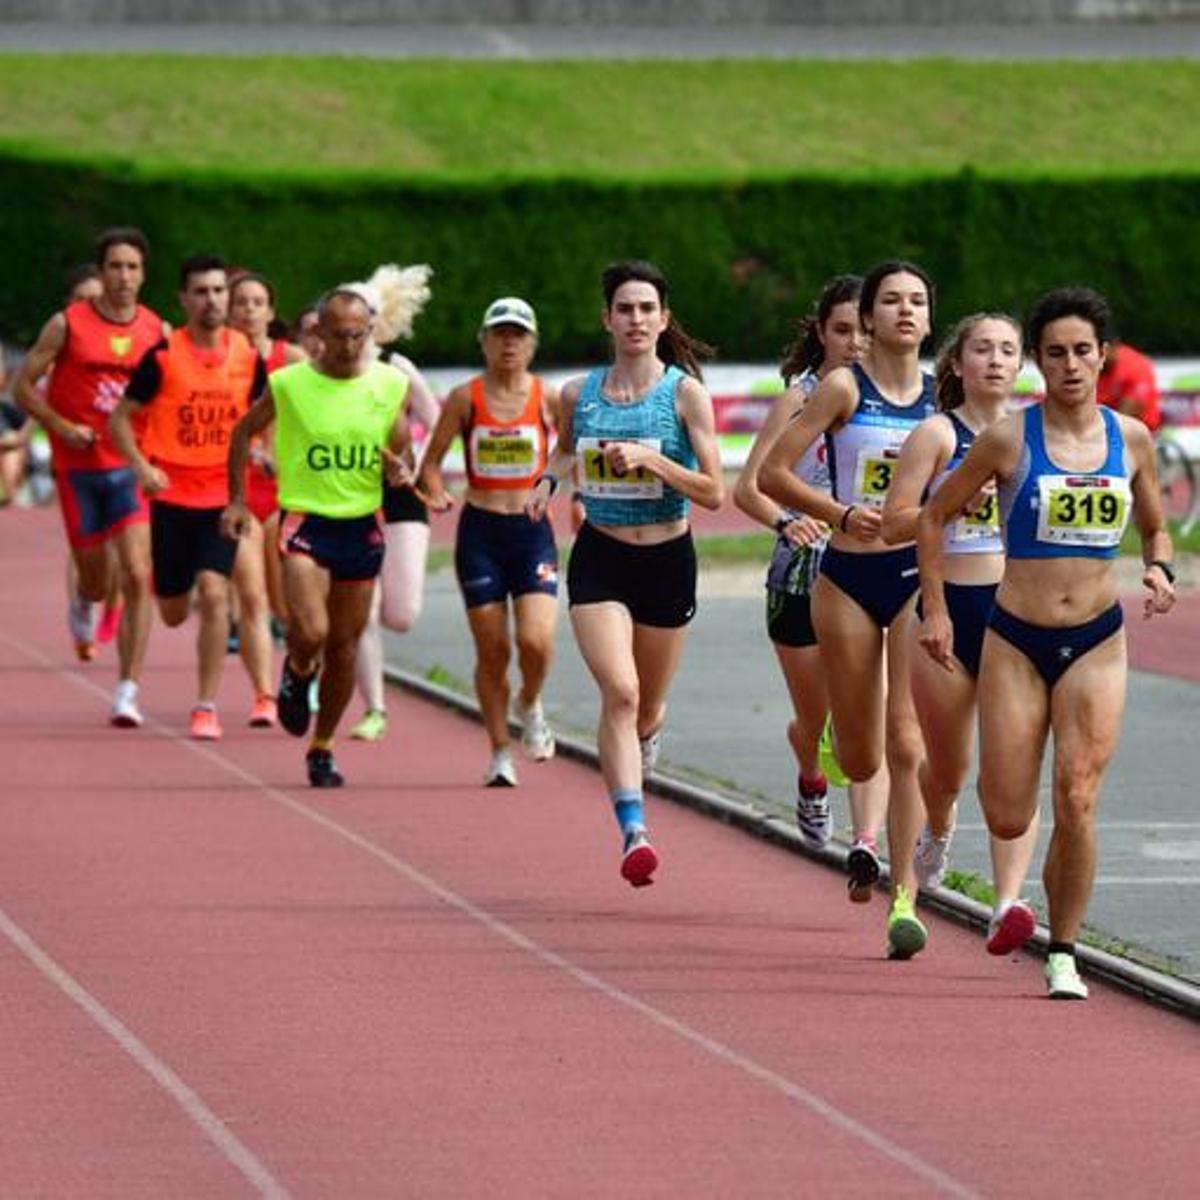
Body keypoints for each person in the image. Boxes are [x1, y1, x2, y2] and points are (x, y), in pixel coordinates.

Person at [916, 287, 1175, 999]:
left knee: (1080, 796)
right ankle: (969, 842)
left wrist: (1158, 565)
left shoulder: (1132, 439)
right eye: (1055, 353)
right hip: (1016, 639)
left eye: (1082, 352)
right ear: (1038, 361)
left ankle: (1064, 950)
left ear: (1102, 358)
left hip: (1097, 639)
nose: (1069, 365)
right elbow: (933, 517)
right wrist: (934, 611)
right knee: (1007, 809)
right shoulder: (1009, 439)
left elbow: (1154, 525)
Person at [759, 260, 936, 958]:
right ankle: (838, 753)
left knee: (908, 741)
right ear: (868, 319)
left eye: (917, 301)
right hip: (848, 577)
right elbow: (773, 472)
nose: (903, 311)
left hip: (917, 579)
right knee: (863, 752)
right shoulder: (841, 388)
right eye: (889, 300)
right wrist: (839, 512)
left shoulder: (943, 395)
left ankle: (906, 897)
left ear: (928, 316)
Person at [528, 261, 724, 885]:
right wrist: (548, 480)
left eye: (647, 309)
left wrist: (653, 460)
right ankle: (634, 829)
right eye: (625, 309)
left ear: (663, 320)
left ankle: (647, 738)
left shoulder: (684, 393)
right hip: (602, 556)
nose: (636, 320)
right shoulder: (576, 393)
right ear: (606, 319)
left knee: (648, 707)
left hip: (667, 559)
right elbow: (565, 446)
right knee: (622, 692)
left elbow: (715, 490)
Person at [883, 313, 1041, 956]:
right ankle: (937, 832)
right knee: (947, 769)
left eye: (1008, 350)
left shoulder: (1038, 437)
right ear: (956, 363)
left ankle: (1006, 903)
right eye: (983, 349)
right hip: (947, 606)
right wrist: (950, 502)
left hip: (1017, 612)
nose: (996, 361)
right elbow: (895, 523)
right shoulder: (936, 434)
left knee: (1015, 765)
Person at [221, 289, 413, 788]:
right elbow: (242, 434)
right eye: (338, 336)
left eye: (358, 335)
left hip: (361, 522)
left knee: (346, 645)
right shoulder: (289, 384)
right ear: (319, 336)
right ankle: (298, 667)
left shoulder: (390, 384)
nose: (349, 346)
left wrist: (401, 471)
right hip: (307, 518)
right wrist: (238, 500)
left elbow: (399, 446)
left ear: (368, 333)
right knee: (311, 630)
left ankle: (322, 747)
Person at [733, 274, 889, 851]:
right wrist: (786, 520)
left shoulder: (890, 405)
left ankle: (868, 842)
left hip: (869, 570)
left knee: (869, 714)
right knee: (815, 718)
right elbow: (748, 489)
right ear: (820, 333)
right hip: (801, 573)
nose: (854, 343)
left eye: (863, 332)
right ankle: (810, 776)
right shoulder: (799, 400)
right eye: (842, 331)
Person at [110, 254, 267, 738]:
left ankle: (206, 706)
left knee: (218, 594)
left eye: (220, 291)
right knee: (174, 610)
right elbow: (119, 418)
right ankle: (172, 593)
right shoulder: (161, 356)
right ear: (183, 299)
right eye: (201, 292)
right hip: (171, 495)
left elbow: (268, 412)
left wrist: (262, 450)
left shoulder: (247, 355)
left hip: (223, 494)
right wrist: (142, 467)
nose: (213, 300)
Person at [14, 227, 165, 724]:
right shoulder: (68, 324)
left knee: (139, 574)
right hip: (78, 467)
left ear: (144, 275)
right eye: (115, 266)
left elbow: (170, 396)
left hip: (129, 464)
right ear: (101, 273)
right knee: (99, 582)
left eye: (132, 267)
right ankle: (85, 597)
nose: (123, 276)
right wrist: (60, 426)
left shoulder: (157, 331)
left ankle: (128, 690)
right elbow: (23, 387)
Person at [419, 296, 561, 786]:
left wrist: (576, 494)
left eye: (518, 334)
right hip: (480, 532)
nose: (508, 342)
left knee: (536, 640)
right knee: (493, 648)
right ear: (483, 341)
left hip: (532, 531)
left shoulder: (548, 397)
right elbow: (431, 462)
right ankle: (500, 751)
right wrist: (435, 490)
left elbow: (572, 453)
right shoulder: (464, 398)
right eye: (499, 333)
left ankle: (530, 700)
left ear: (533, 344)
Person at [343, 264, 442, 744]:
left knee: (399, 614)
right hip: (347, 496)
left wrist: (417, 464)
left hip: (400, 496)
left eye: (366, 317)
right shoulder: (326, 376)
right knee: (363, 611)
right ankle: (375, 708)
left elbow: (437, 420)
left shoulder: (399, 370)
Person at [227, 271, 308, 724]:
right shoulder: (217, 359)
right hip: (240, 493)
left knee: (287, 605)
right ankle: (263, 696)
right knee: (252, 596)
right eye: (241, 302)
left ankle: (299, 673)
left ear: (271, 312)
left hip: (288, 492)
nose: (249, 310)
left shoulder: (292, 359)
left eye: (258, 302)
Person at [1096, 337, 1162, 433]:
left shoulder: (1135, 366)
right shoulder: (1093, 367)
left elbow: (1127, 414)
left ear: (1108, 348)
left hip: (1141, 434)